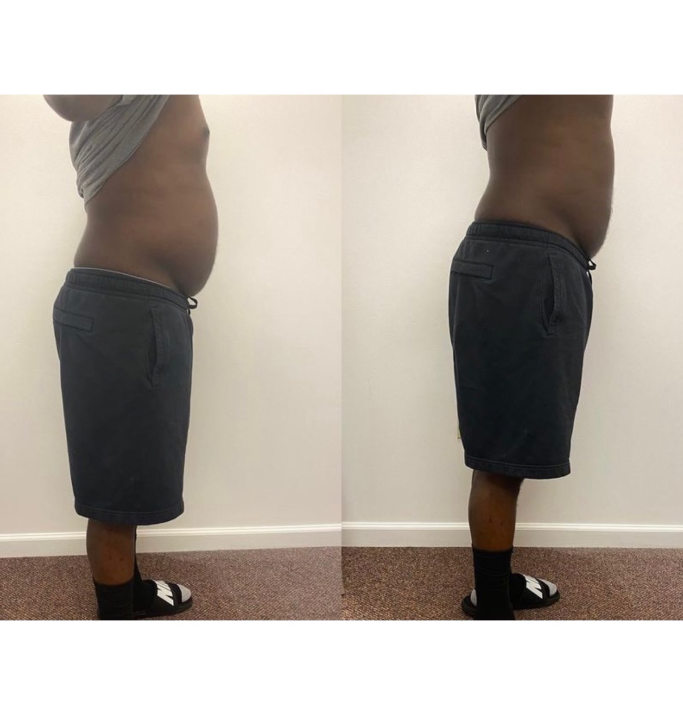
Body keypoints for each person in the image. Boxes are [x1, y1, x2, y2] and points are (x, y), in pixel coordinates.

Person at [45, 95, 218, 619]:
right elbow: (70, 96)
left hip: (138, 306)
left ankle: (130, 591)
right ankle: (118, 617)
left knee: (129, 477)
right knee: (115, 492)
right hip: (123, 307)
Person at [448, 95, 614, 619]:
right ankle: (492, 608)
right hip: (525, 261)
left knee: (506, 454)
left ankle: (493, 588)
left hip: (532, 261)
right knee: (499, 459)